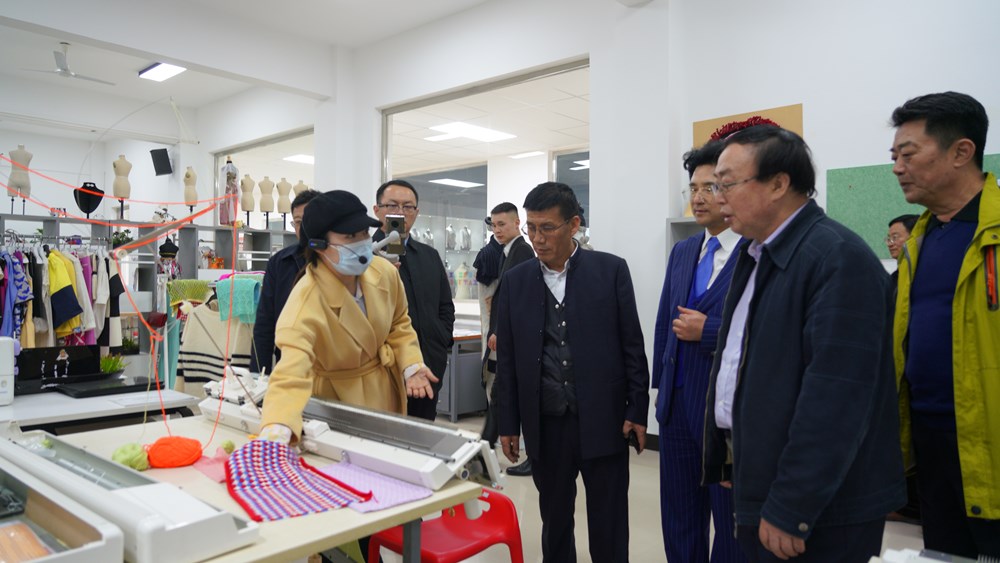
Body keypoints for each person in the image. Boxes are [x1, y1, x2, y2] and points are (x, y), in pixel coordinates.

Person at [702, 125, 905, 561]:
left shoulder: (837, 258)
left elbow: (836, 399)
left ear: (778, 184)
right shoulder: (757, 254)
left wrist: (793, 505)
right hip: (764, 479)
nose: (718, 198)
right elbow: (744, 363)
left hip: (821, 506)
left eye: (726, 184)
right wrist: (732, 457)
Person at [495, 182, 649, 563]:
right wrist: (507, 422)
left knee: (609, 523)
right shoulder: (516, 282)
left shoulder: (610, 271)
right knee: (555, 520)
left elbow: (632, 346)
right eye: (531, 228)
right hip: (547, 424)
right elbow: (508, 360)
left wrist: (637, 409)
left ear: (574, 224)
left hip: (603, 420)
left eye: (547, 228)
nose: (537, 238)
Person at [890, 91, 1000, 557]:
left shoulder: (993, 233)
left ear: (961, 151)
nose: (897, 168)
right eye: (894, 156)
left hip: (989, 439)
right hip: (929, 438)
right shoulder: (919, 240)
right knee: (943, 551)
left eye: (908, 154)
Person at [259, 190, 438, 443]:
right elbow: (291, 372)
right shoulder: (306, 301)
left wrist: (411, 365)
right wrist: (277, 428)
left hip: (385, 391)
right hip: (336, 404)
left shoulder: (384, 272)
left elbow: (399, 323)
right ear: (319, 244)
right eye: (350, 236)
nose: (362, 242)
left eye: (364, 233)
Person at [652, 140, 745, 563]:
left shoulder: (754, 252)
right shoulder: (684, 250)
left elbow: (765, 333)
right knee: (679, 516)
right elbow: (664, 324)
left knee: (730, 523)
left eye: (710, 187)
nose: (699, 197)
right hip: (677, 409)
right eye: (693, 188)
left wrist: (708, 332)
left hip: (725, 414)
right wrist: (659, 393)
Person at [372, 180, 455, 421]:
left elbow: (445, 306)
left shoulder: (429, 255)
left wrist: (441, 340)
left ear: (416, 213)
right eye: (392, 205)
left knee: (422, 433)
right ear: (377, 210)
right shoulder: (364, 256)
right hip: (381, 370)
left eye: (408, 207)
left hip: (427, 365)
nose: (400, 212)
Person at [482, 202, 534, 475]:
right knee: (500, 392)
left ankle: (483, 448)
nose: (497, 230)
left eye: (502, 224)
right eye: (494, 225)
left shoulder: (522, 251)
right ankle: (483, 447)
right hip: (509, 334)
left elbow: (517, 297)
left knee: (503, 391)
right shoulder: (507, 252)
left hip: (515, 336)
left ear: (517, 223)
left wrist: (500, 330)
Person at [250, 189, 319, 374]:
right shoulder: (280, 263)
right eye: (298, 222)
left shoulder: (337, 261)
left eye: (309, 220)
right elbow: (265, 324)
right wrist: (259, 376)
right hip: (289, 362)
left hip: (330, 365)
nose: (303, 228)